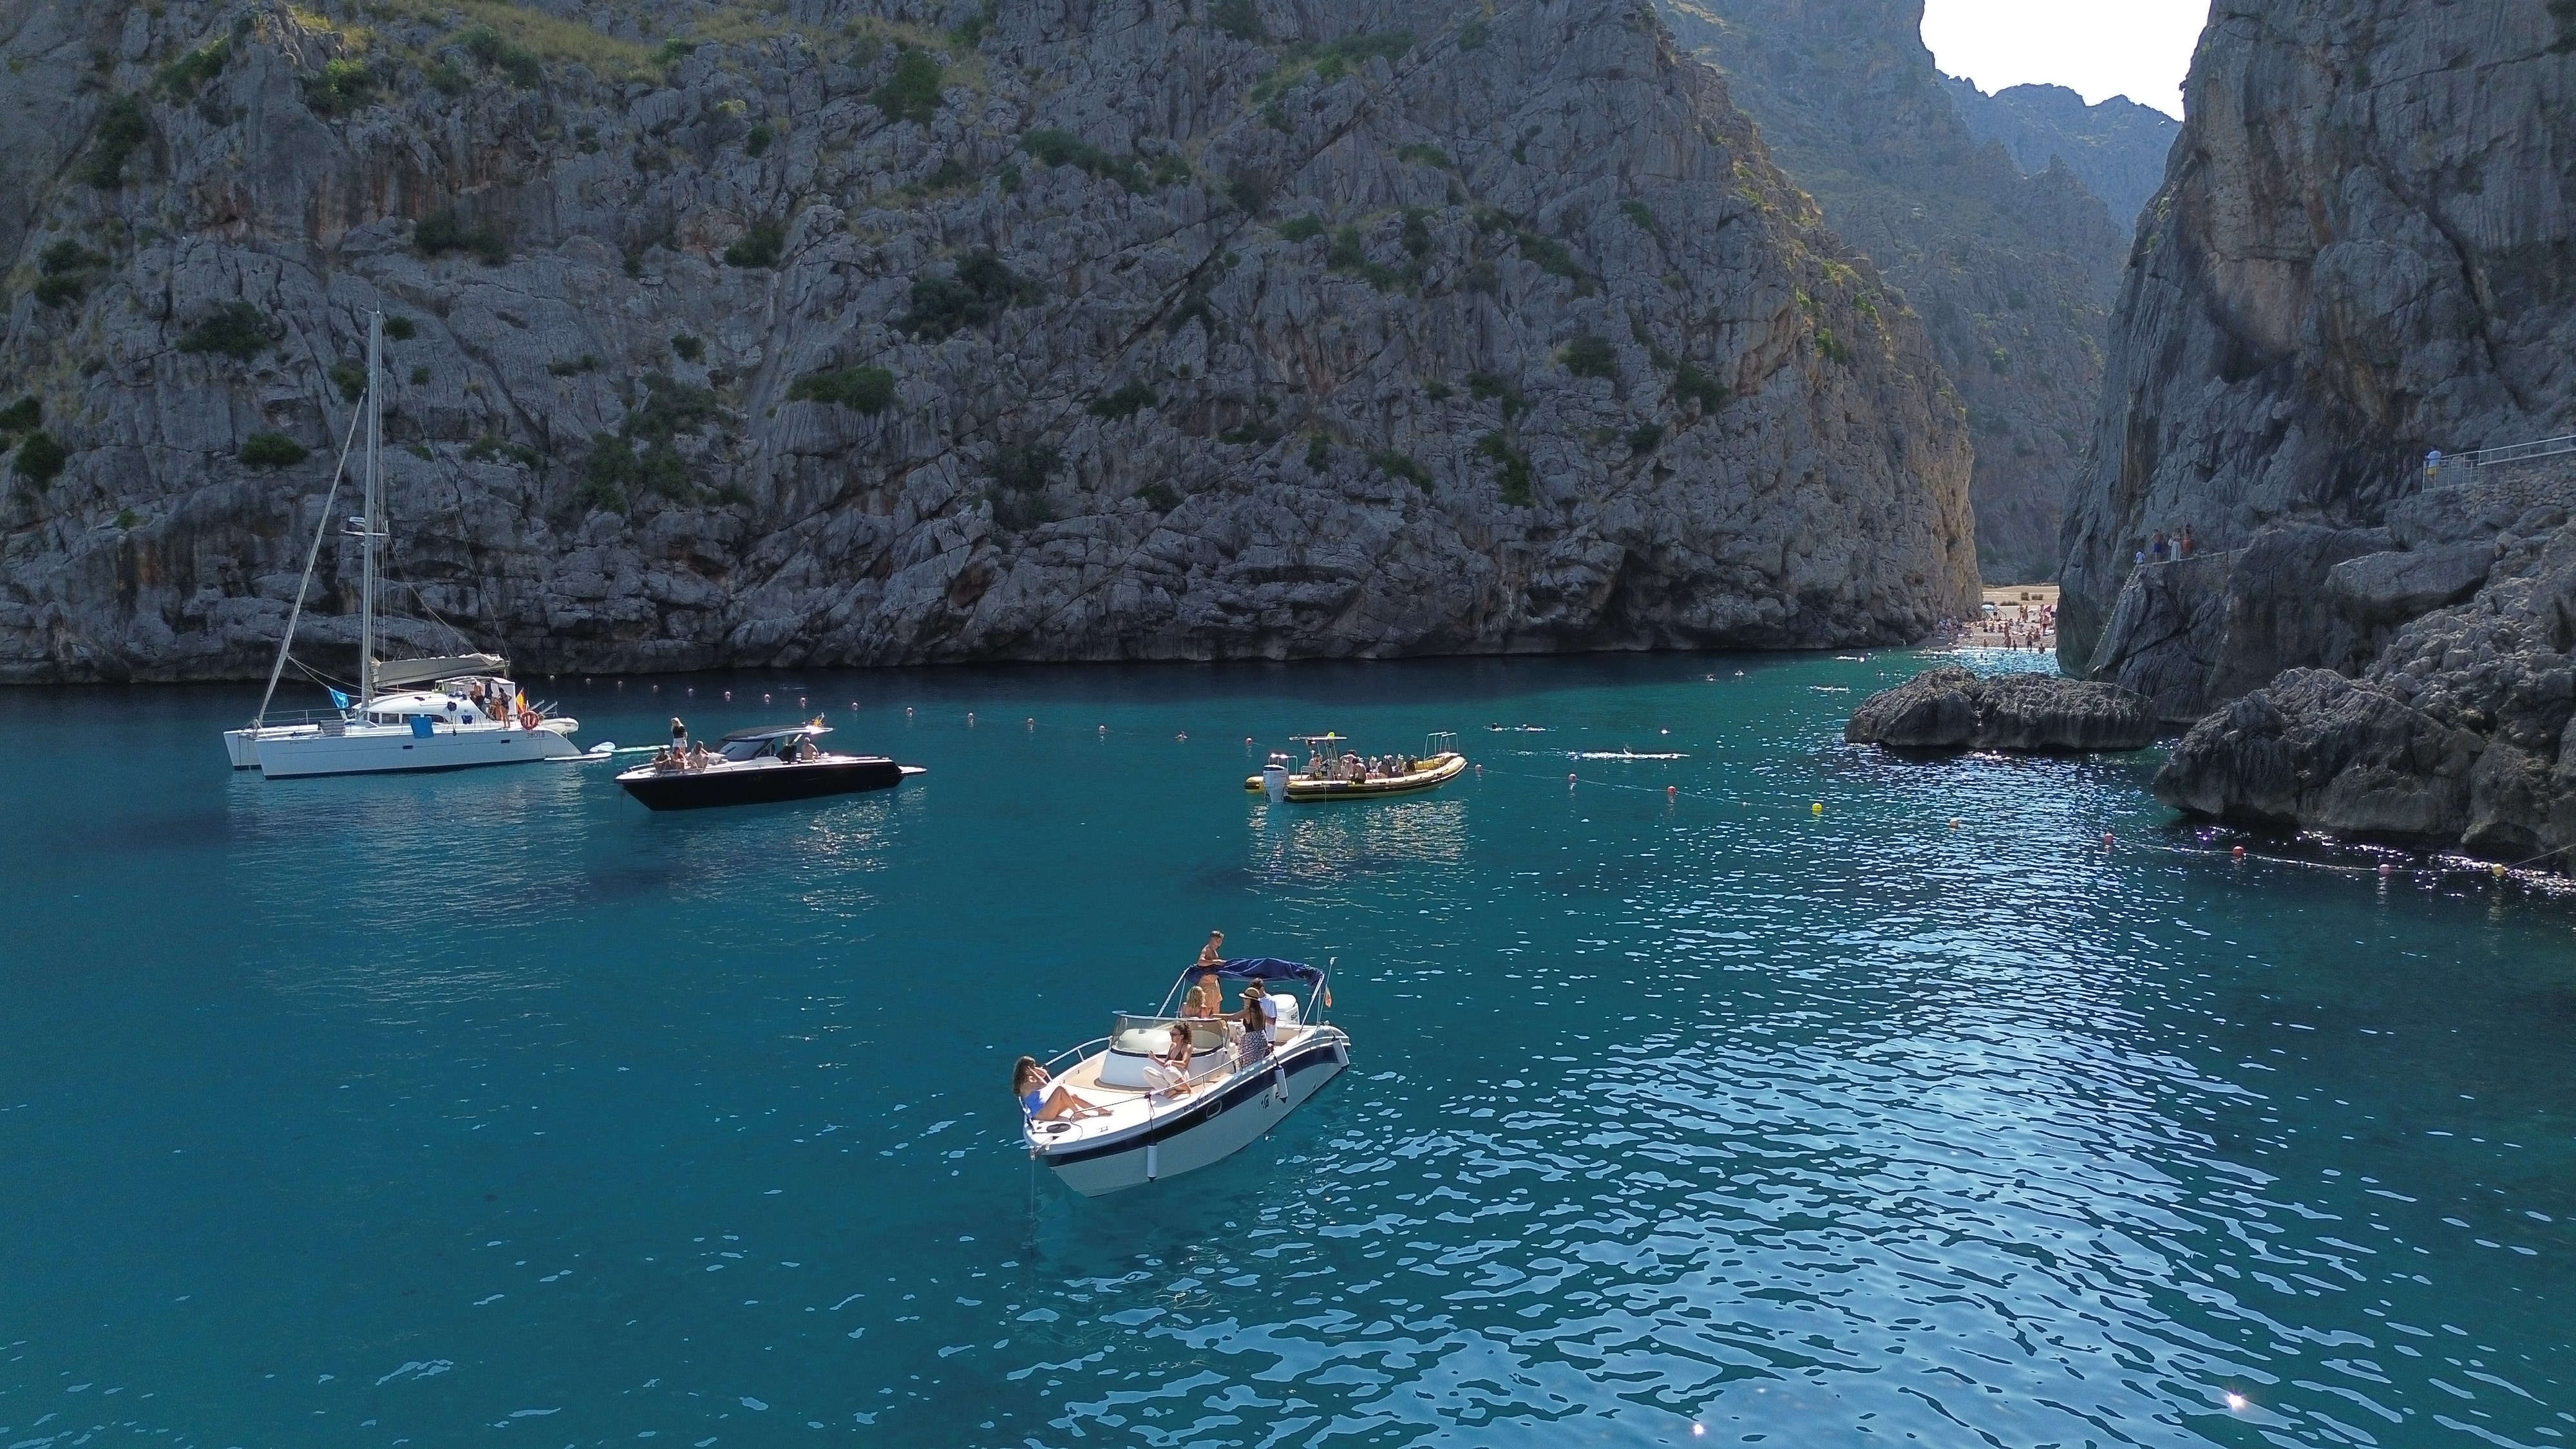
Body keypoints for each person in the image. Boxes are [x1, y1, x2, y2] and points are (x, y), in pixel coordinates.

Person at [1013, 1057, 1108, 1122]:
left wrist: (1033, 1070)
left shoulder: (1030, 1078)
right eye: (1031, 1067)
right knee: (1060, 1089)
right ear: (1025, 1070)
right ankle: (1077, 1113)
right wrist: (1033, 1073)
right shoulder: (1025, 1084)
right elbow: (1043, 1084)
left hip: (1047, 1109)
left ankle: (1100, 1110)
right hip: (1042, 1114)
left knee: (1073, 1097)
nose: (1034, 1070)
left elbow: (1044, 1073)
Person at [1143, 1022, 1196, 1098]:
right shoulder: (1173, 1046)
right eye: (1171, 1034)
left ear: (1181, 1036)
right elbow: (1166, 1064)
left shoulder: (1187, 1047)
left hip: (1182, 1076)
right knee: (1146, 1071)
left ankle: (1190, 1090)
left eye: (1174, 1035)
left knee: (1168, 1070)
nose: (1172, 1036)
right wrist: (1154, 1058)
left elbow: (1184, 1064)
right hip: (1170, 1078)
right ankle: (1168, 1091)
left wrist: (1172, 1062)